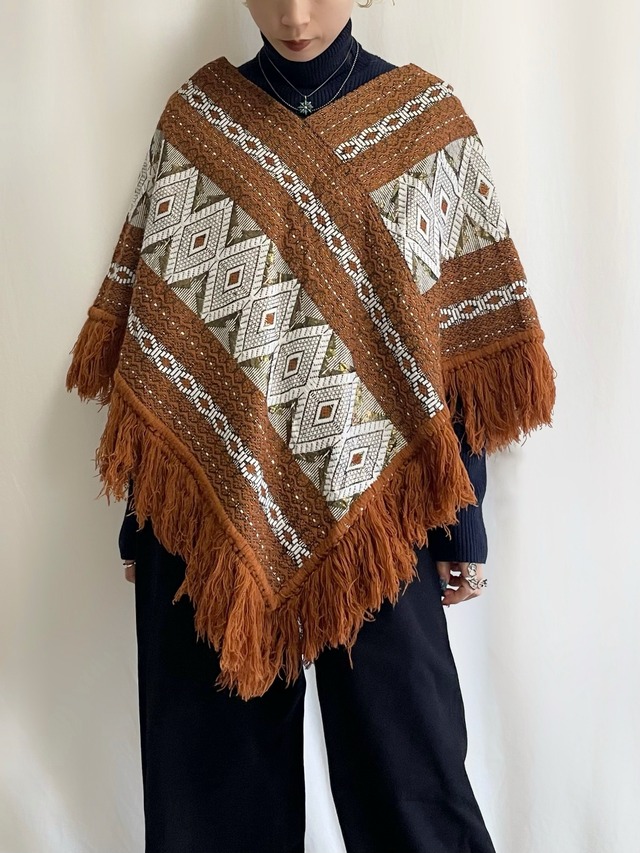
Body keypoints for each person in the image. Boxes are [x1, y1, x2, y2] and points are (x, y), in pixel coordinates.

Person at [66, 1, 556, 850]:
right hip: (214, 511)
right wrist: (145, 511)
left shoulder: (425, 125)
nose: (294, 15)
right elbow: (159, 340)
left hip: (385, 508)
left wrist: (463, 517)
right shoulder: (199, 122)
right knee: (209, 801)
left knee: (412, 785)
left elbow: (460, 351)